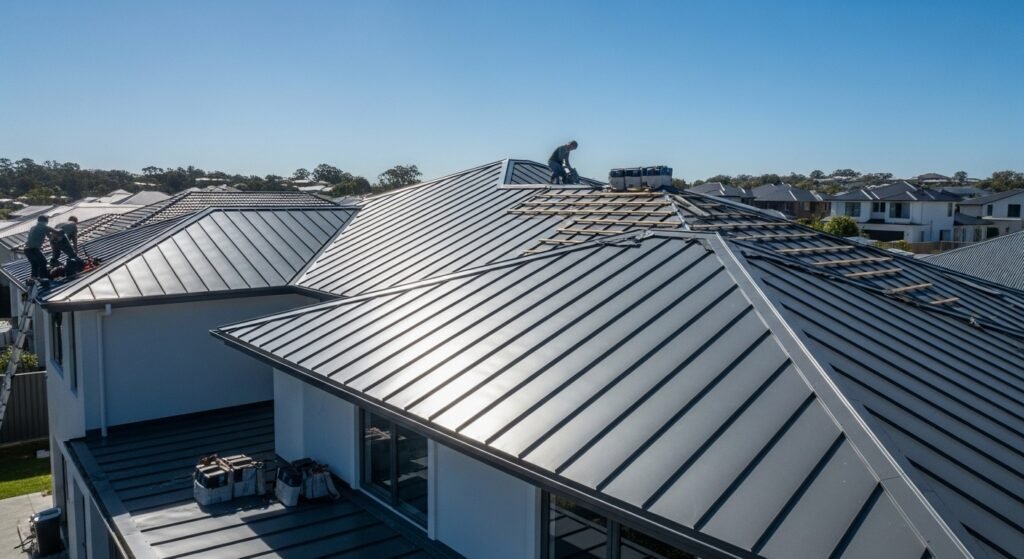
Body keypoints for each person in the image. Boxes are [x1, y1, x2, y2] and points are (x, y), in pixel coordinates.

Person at [25, 216, 58, 281]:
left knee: (35, 264)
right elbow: (54, 231)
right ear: (44, 221)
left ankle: (34, 277)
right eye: (47, 221)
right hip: (33, 249)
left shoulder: (33, 227)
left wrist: (52, 239)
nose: (47, 222)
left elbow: (49, 236)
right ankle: (43, 277)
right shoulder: (43, 227)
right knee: (43, 262)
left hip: (26, 250)